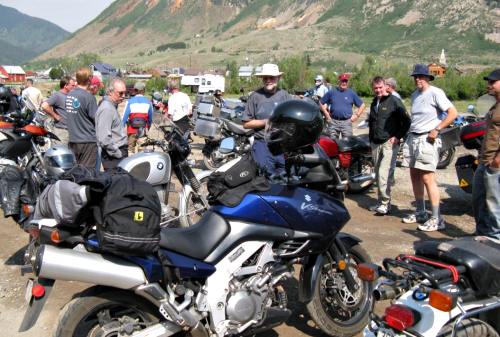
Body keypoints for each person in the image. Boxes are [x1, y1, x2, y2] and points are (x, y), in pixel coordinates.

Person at [402, 64, 458, 231]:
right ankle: (420, 212)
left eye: (421, 76)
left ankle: (436, 218)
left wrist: (437, 129)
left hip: (428, 139)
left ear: (428, 77)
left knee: (428, 178)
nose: (417, 79)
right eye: (415, 77)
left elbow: (453, 113)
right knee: (414, 175)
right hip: (414, 138)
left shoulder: (436, 93)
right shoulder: (414, 95)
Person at [368, 76, 411, 215]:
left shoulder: (394, 101)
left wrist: (398, 136)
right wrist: (371, 141)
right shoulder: (374, 102)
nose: (378, 90)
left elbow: (407, 121)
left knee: (383, 174)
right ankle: (382, 203)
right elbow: (372, 122)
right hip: (375, 143)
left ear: (385, 86)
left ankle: (385, 203)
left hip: (388, 143)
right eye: (376, 88)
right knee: (377, 175)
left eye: (380, 87)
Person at [242, 63, 292, 176]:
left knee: (285, 178)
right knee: (264, 180)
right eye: (265, 78)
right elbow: (246, 123)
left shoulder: (285, 95)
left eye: (272, 77)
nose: (268, 80)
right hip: (262, 145)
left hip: (282, 145)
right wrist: (267, 121)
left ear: (278, 78)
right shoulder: (255, 96)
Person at [472, 69, 500, 239]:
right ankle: (482, 235)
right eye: (488, 82)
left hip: (495, 163)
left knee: (494, 203)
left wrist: (497, 159)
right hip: (485, 160)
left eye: (492, 82)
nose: (488, 85)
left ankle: (496, 239)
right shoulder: (495, 105)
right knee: (479, 200)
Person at [65, 67, 98, 169]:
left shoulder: (70, 95)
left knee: (75, 172)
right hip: (87, 141)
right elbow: (96, 119)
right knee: (87, 174)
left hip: (73, 140)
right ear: (89, 79)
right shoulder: (88, 97)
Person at [96, 78, 128, 170]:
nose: (123, 96)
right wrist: (118, 154)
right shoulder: (107, 109)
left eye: (124, 93)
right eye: (120, 93)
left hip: (116, 153)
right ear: (110, 92)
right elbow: (104, 138)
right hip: (114, 156)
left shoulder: (111, 106)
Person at [320, 73, 365, 138]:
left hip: (346, 123)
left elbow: (362, 105)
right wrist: (326, 114)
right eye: (342, 81)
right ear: (339, 81)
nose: (344, 83)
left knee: (348, 144)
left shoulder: (351, 93)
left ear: (347, 82)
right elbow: (321, 102)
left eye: (345, 81)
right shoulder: (332, 92)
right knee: (333, 143)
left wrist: (357, 115)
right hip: (333, 122)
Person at [41, 76, 76, 144]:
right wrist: (55, 115)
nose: (74, 87)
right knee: (60, 152)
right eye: (72, 85)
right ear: (66, 85)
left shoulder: (71, 95)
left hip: (72, 131)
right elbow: (44, 106)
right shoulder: (57, 95)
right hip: (61, 131)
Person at [122, 81, 153, 154]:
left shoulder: (129, 102)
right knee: (142, 153)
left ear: (135, 90)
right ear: (143, 91)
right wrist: (148, 127)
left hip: (131, 130)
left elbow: (124, 118)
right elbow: (150, 119)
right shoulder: (148, 102)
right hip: (142, 130)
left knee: (130, 151)